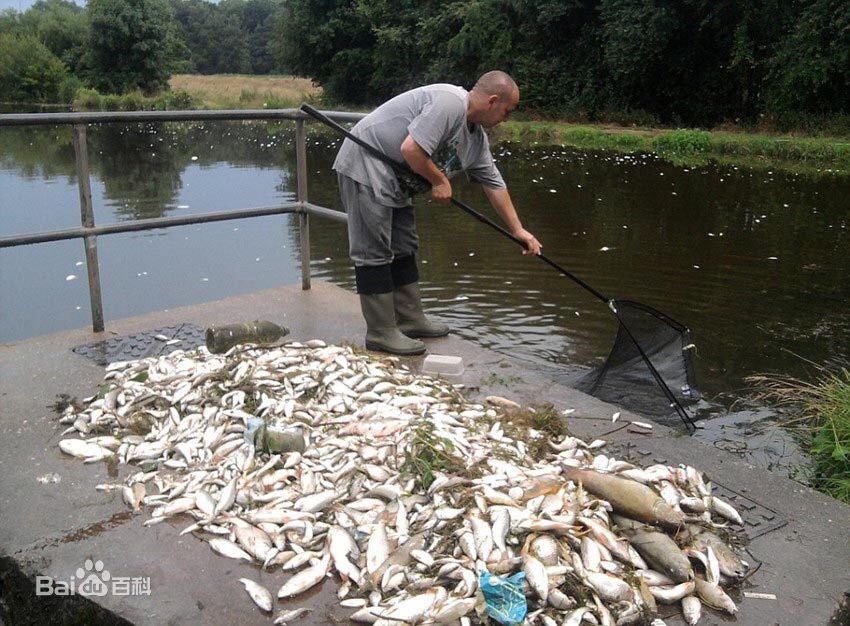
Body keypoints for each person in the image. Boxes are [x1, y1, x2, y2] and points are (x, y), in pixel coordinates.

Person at [333, 70, 542, 356]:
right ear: (493, 101)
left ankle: (410, 319)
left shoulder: (476, 139)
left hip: (398, 180)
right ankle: (381, 332)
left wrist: (518, 229)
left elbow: (494, 183)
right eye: (507, 112)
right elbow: (411, 149)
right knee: (374, 251)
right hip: (367, 163)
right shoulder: (449, 103)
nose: (506, 119)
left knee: (404, 246)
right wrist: (440, 181)